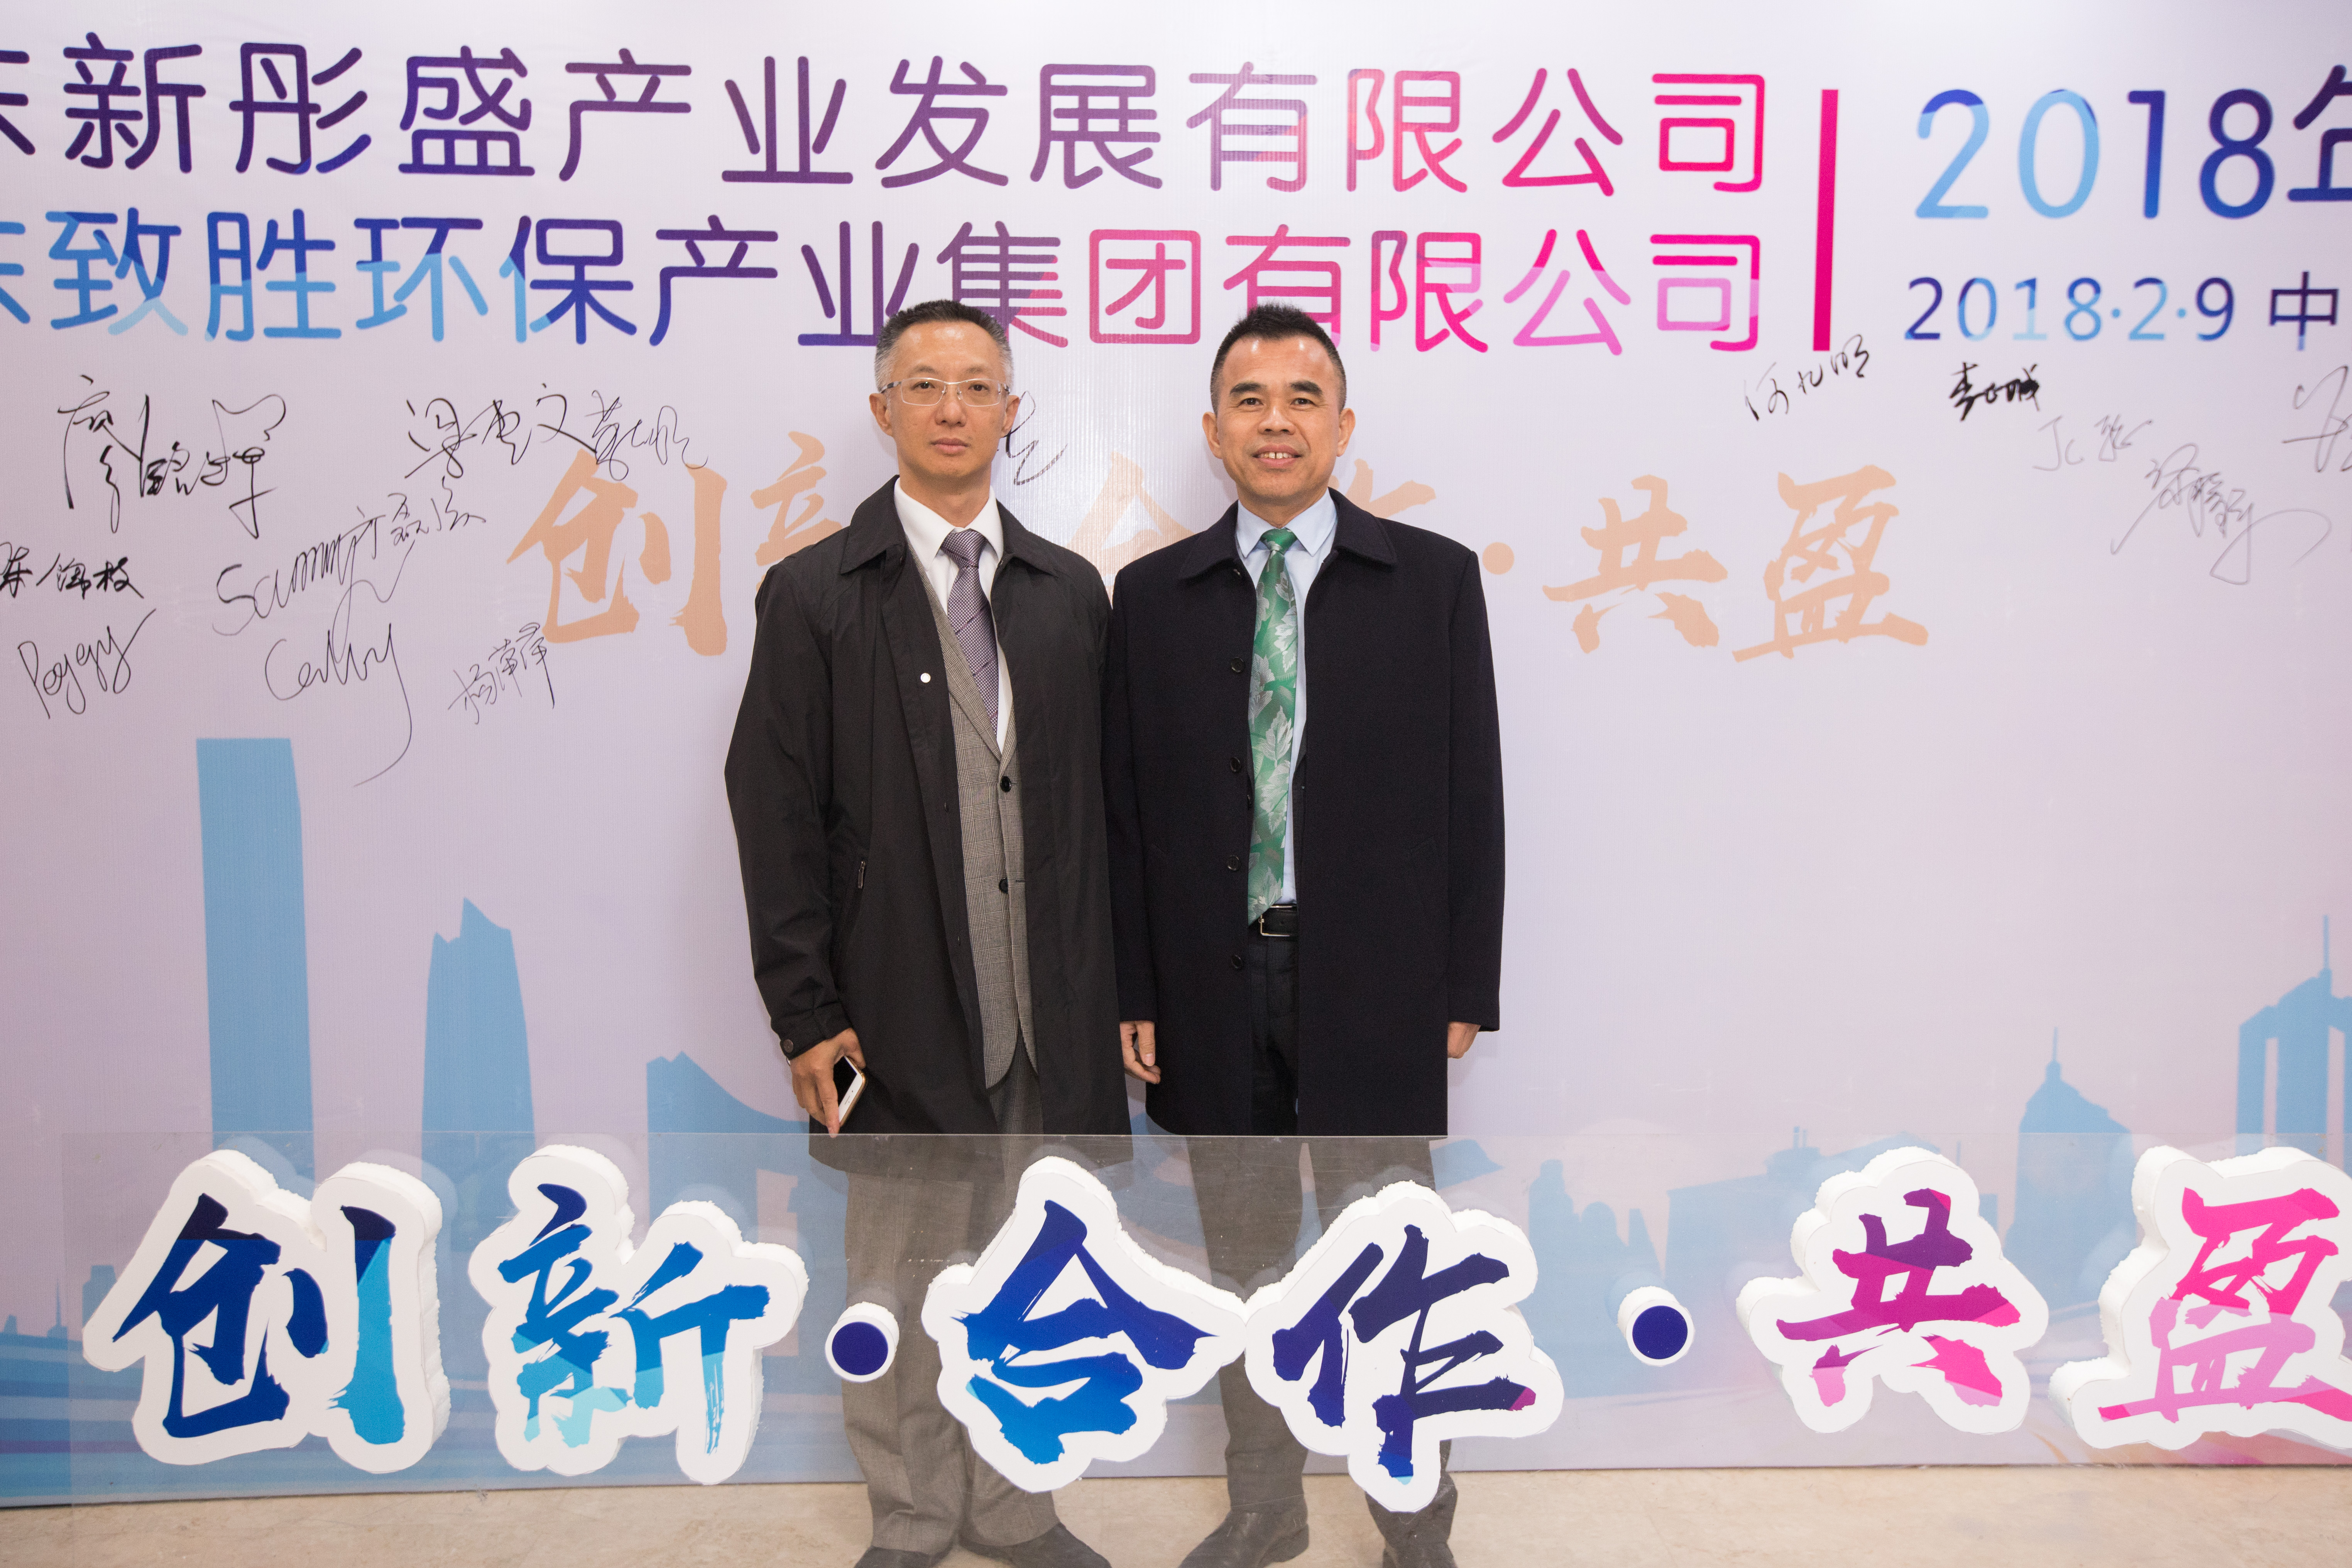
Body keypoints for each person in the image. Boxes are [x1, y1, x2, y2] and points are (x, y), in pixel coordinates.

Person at [1101, 304, 1505, 1568]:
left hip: (1376, 985)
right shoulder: (1151, 597)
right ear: (1213, 430)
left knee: (1395, 1266)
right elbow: (1125, 813)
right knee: (1244, 1268)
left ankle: (1415, 1521)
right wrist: (1136, 987)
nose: (1275, 423)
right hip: (1215, 985)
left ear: (1342, 425)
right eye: (1249, 400)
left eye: (1301, 398)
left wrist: (1465, 981)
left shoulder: (1432, 579)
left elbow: (1474, 791)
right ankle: (1265, 1507)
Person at [725, 299, 1124, 1568]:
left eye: (977, 385)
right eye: (926, 385)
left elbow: (1110, 815)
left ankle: (1016, 1509)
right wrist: (807, 1014)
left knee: (1031, 1277)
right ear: (883, 409)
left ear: (1012, 410)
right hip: (891, 1018)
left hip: (1047, 1015)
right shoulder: (815, 595)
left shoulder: (1069, 595)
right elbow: (774, 811)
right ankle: (910, 1516)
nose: (953, 408)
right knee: (897, 1285)